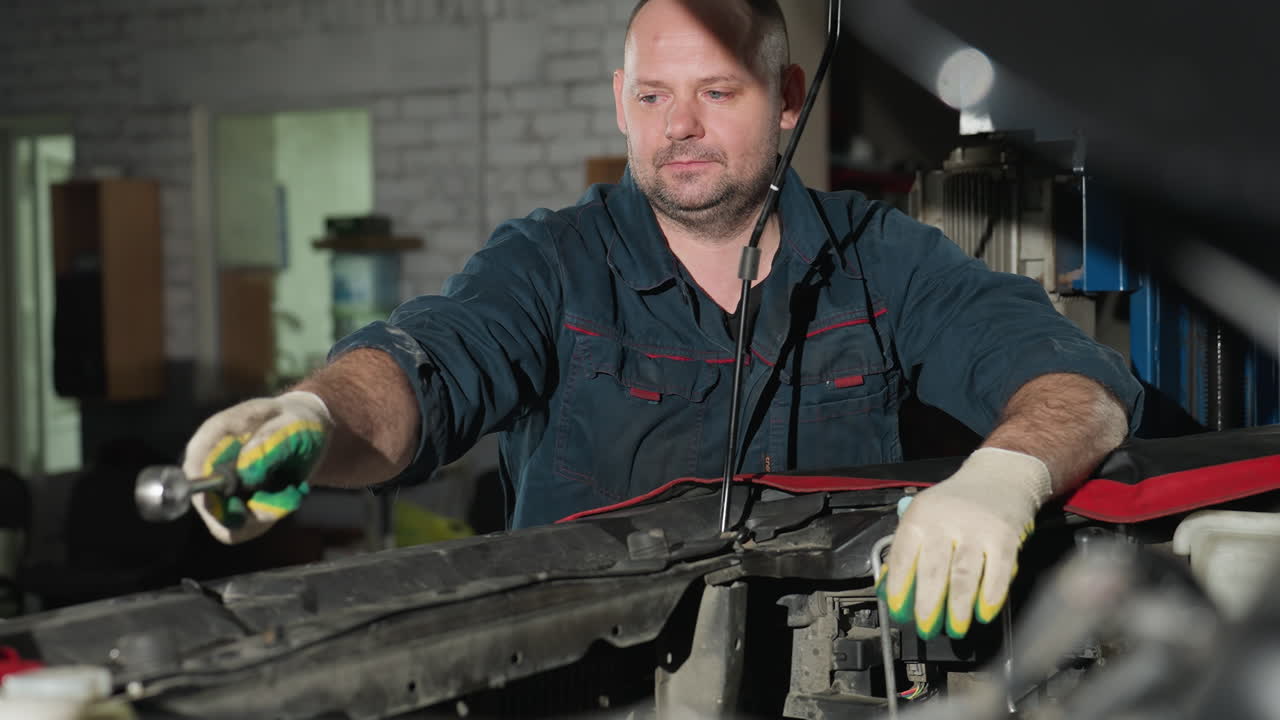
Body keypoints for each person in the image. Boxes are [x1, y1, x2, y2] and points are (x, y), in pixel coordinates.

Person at [183, 0, 1141, 642]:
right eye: (653, 96)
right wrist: (310, 419)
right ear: (621, 103)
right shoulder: (551, 264)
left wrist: (1004, 477)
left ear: (788, 99)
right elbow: (425, 367)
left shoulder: (881, 258)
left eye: (716, 92)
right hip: (589, 684)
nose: (679, 124)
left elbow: (1078, 382)